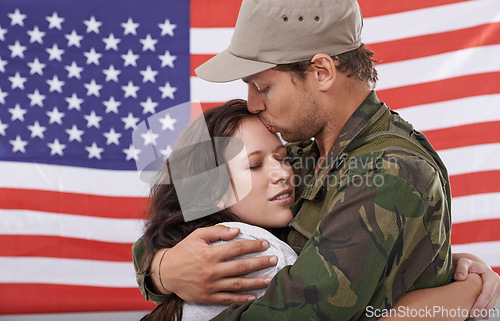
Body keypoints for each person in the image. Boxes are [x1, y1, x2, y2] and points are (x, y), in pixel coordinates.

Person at [135, 0, 500, 319]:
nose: (253, 104)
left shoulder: (388, 172)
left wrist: (463, 291)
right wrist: (162, 269)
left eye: (263, 86)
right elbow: (177, 216)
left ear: (322, 71)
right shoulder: (299, 156)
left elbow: (301, 312)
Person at [135, 100, 483, 321]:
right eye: (254, 165)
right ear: (209, 189)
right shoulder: (251, 247)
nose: (284, 173)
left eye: (282, 158)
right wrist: (466, 291)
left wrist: (452, 263)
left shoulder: (318, 164)